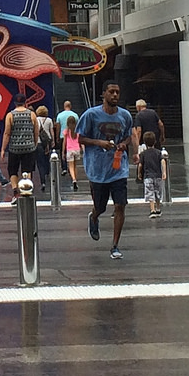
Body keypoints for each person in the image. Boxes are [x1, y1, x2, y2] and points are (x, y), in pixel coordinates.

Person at [78, 88, 137, 257]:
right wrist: (99, 142)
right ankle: (94, 217)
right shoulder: (91, 115)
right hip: (97, 169)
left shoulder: (125, 115)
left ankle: (115, 246)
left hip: (118, 169)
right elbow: (80, 138)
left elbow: (128, 136)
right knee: (100, 206)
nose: (115, 95)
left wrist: (124, 144)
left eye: (118, 92)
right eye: (111, 92)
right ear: (103, 94)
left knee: (120, 205)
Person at [2, 101, 40, 199]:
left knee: (13, 170)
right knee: (27, 169)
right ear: (25, 103)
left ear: (15, 103)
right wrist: (35, 143)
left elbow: (7, 133)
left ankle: (15, 191)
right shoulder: (32, 115)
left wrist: (3, 149)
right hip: (29, 147)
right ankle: (26, 190)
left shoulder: (10, 115)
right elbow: (36, 131)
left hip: (14, 148)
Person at [140, 129, 165, 219]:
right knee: (158, 192)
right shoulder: (158, 152)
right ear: (155, 141)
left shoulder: (143, 154)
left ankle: (152, 210)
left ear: (144, 143)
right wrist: (164, 172)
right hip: (158, 175)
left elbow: (140, 165)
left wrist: (139, 174)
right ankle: (158, 208)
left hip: (148, 176)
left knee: (150, 193)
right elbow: (162, 161)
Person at [58, 101, 83, 189]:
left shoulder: (66, 131)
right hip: (77, 149)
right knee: (75, 166)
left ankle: (73, 179)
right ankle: (75, 178)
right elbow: (80, 140)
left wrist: (62, 152)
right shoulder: (77, 130)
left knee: (70, 166)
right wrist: (82, 148)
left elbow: (64, 142)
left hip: (69, 149)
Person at [34, 104, 55, 190]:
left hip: (38, 142)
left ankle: (42, 181)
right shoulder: (49, 120)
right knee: (47, 158)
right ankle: (47, 172)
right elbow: (51, 131)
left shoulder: (35, 120)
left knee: (40, 163)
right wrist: (53, 141)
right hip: (47, 142)